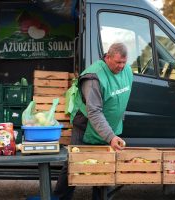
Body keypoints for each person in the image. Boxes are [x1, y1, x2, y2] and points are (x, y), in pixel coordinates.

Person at [54, 43, 133, 200]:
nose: (122, 66)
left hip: (110, 128)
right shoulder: (93, 78)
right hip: (86, 128)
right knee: (73, 166)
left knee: (105, 169)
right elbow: (94, 112)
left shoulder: (127, 71)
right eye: (118, 62)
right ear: (107, 57)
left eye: (124, 62)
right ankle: (60, 198)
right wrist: (110, 137)